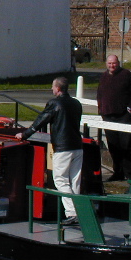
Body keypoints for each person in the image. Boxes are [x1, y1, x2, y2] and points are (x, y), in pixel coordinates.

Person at [16, 76, 83, 226]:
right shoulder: (76, 103)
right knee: (75, 180)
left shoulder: (55, 103)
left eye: (53, 87)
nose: (52, 89)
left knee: (60, 179)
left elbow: (41, 120)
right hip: (78, 146)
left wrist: (24, 134)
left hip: (63, 147)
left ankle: (72, 213)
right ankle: (80, 210)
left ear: (58, 89)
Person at [96, 54, 131, 182]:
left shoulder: (126, 75)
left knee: (126, 147)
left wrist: (130, 108)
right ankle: (118, 172)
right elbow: (100, 94)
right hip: (108, 116)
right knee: (113, 147)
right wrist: (101, 110)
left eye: (114, 63)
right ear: (106, 64)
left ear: (118, 63)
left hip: (123, 117)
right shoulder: (104, 76)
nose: (112, 66)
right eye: (110, 63)